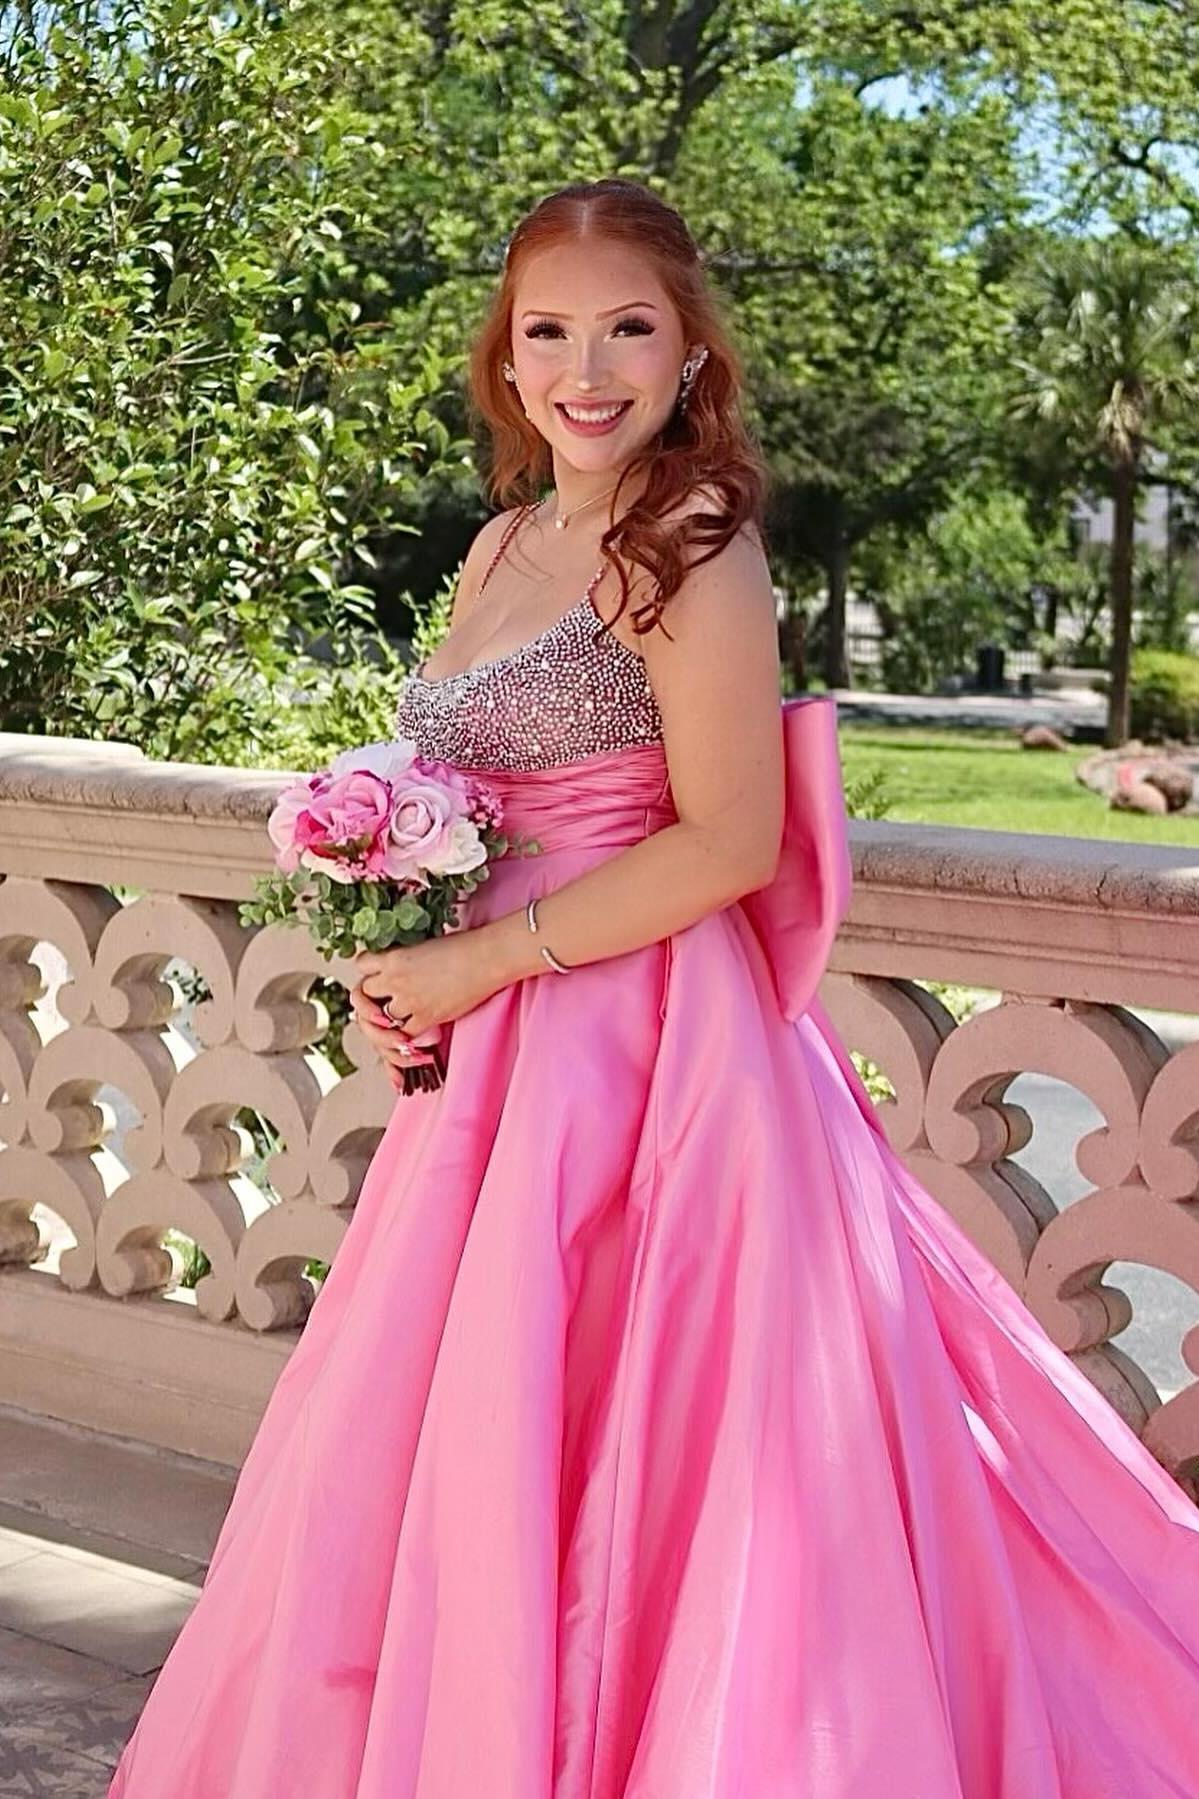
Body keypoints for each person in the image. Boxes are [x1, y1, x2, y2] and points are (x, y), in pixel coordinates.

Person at [109, 179, 1199, 1798]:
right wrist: (397, 922)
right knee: (477, 1434)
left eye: (628, 328)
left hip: (650, 1052)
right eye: (548, 332)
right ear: (505, 358)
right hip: (492, 1059)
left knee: (668, 1440)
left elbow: (733, 840)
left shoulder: (694, 544)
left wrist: (479, 957)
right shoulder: (501, 543)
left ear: (690, 353)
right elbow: (471, 791)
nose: (587, 368)